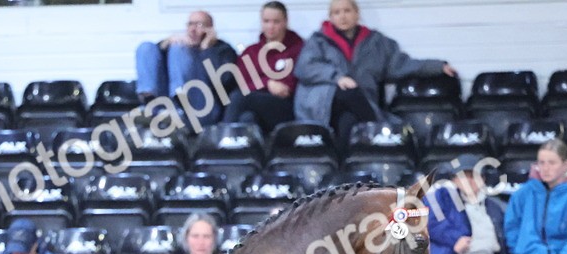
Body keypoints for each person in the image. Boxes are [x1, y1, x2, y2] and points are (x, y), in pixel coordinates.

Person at [293, 0, 456, 149]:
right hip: (324, 104)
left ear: (357, 13)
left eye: (347, 11)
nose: (342, 16)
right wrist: (337, 77)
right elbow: (305, 67)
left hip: (361, 104)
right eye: (336, 12)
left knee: (348, 123)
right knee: (348, 93)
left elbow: (401, 64)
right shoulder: (318, 41)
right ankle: (381, 127)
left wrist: (437, 66)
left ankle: (346, 166)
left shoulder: (377, 42)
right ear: (330, 17)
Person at [425, 154, 511, 254]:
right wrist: (453, 242)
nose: (469, 181)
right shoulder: (443, 199)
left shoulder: (495, 207)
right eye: (464, 176)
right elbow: (431, 227)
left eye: (473, 176)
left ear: (483, 179)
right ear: (454, 179)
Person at [135, 10, 237, 125]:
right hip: (166, 105)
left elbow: (224, 81)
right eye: (190, 24)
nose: (192, 29)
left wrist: (205, 50)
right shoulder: (180, 48)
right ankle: (150, 104)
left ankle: (179, 105)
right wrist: (165, 43)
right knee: (146, 47)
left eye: (199, 25)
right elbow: (152, 62)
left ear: (210, 29)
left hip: (203, 106)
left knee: (178, 49)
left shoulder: (223, 50)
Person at [222, 2, 305, 134]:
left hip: (286, 107)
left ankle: (223, 138)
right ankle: (245, 147)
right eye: (266, 21)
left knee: (239, 98)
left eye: (276, 22)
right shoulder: (251, 52)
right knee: (247, 118)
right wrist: (268, 83)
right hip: (257, 106)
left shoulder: (299, 49)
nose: (270, 26)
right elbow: (242, 84)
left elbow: (289, 87)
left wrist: (260, 84)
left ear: (285, 22)